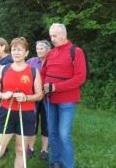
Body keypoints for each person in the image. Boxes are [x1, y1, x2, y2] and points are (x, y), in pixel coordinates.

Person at [0, 37, 43, 168]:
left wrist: (26, 98)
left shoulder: (33, 71)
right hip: (6, 112)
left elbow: (40, 95)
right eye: (13, 49)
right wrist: (3, 95)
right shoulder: (4, 69)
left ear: (26, 53)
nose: (16, 52)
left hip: (26, 114)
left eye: (19, 50)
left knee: (20, 150)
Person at [41, 23, 86, 168]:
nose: (52, 39)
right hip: (49, 99)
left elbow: (80, 78)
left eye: (55, 36)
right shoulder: (51, 53)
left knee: (64, 134)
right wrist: (41, 88)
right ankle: (56, 162)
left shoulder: (76, 51)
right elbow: (43, 73)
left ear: (64, 34)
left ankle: (68, 165)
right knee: (52, 133)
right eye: (51, 36)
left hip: (67, 101)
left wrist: (56, 87)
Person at [26, 40, 51, 160]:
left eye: (41, 48)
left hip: (48, 99)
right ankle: (30, 148)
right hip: (34, 97)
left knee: (46, 124)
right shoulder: (31, 61)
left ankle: (44, 150)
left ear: (48, 50)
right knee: (33, 123)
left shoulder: (52, 62)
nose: (39, 50)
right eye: (37, 48)